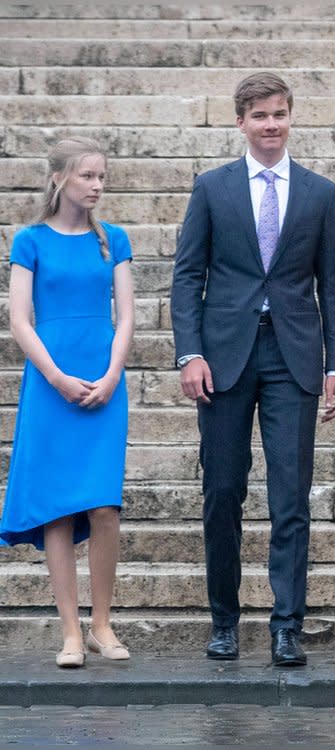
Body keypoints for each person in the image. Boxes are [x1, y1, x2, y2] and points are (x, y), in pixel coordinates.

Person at [171, 72, 335, 667]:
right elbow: (187, 276)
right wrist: (189, 353)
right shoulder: (212, 188)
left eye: (279, 114)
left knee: (290, 496)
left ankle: (286, 626)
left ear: (290, 117)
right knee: (222, 491)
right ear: (241, 122)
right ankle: (224, 620)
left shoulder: (319, 192)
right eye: (259, 116)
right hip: (223, 358)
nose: (271, 124)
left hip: (293, 357)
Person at [0, 136, 135, 667]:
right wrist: (55, 377)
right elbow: (18, 320)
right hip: (50, 381)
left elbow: (125, 315)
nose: (98, 185)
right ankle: (72, 633)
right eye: (88, 176)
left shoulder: (114, 238)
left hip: (104, 380)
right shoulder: (30, 240)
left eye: (102, 175)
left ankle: (103, 623)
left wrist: (112, 374)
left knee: (104, 507)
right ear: (59, 178)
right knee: (57, 510)